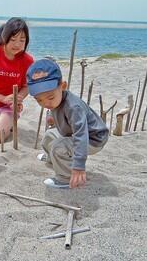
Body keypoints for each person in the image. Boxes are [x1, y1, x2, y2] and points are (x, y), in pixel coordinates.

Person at [26, 59, 109, 189]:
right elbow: (54, 110)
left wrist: (79, 166)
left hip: (92, 139)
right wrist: (51, 118)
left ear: (63, 86)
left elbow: (81, 135)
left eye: (50, 97)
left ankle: (65, 178)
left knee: (59, 146)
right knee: (49, 136)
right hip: (73, 133)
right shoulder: (55, 100)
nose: (45, 103)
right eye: (39, 100)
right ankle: (52, 159)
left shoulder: (73, 107)